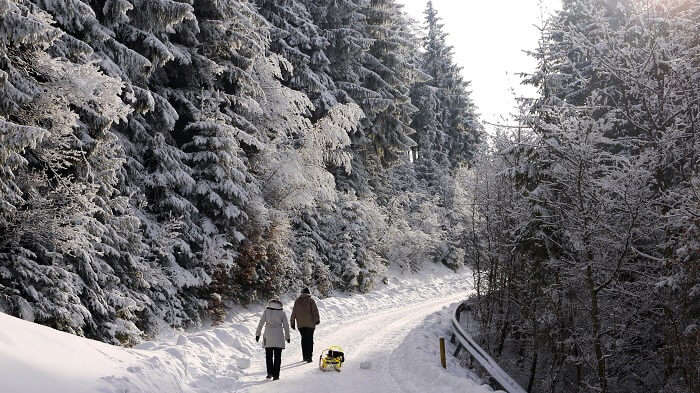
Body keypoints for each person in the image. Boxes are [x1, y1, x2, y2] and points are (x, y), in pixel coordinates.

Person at [256, 298, 290, 380]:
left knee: (269, 356)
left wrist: (258, 334)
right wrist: (287, 337)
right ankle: (276, 375)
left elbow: (261, 323)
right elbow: (286, 325)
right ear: (279, 303)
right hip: (279, 336)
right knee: (278, 357)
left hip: (268, 335)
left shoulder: (266, 311)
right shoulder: (282, 312)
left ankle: (270, 373)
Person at [290, 287, 320, 363]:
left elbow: (294, 312)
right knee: (309, 339)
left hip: (301, 325)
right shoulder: (311, 300)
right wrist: (317, 320)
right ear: (308, 293)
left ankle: (305, 356)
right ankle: (309, 357)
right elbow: (315, 311)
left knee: (304, 339)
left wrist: (292, 322)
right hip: (310, 324)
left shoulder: (297, 301)